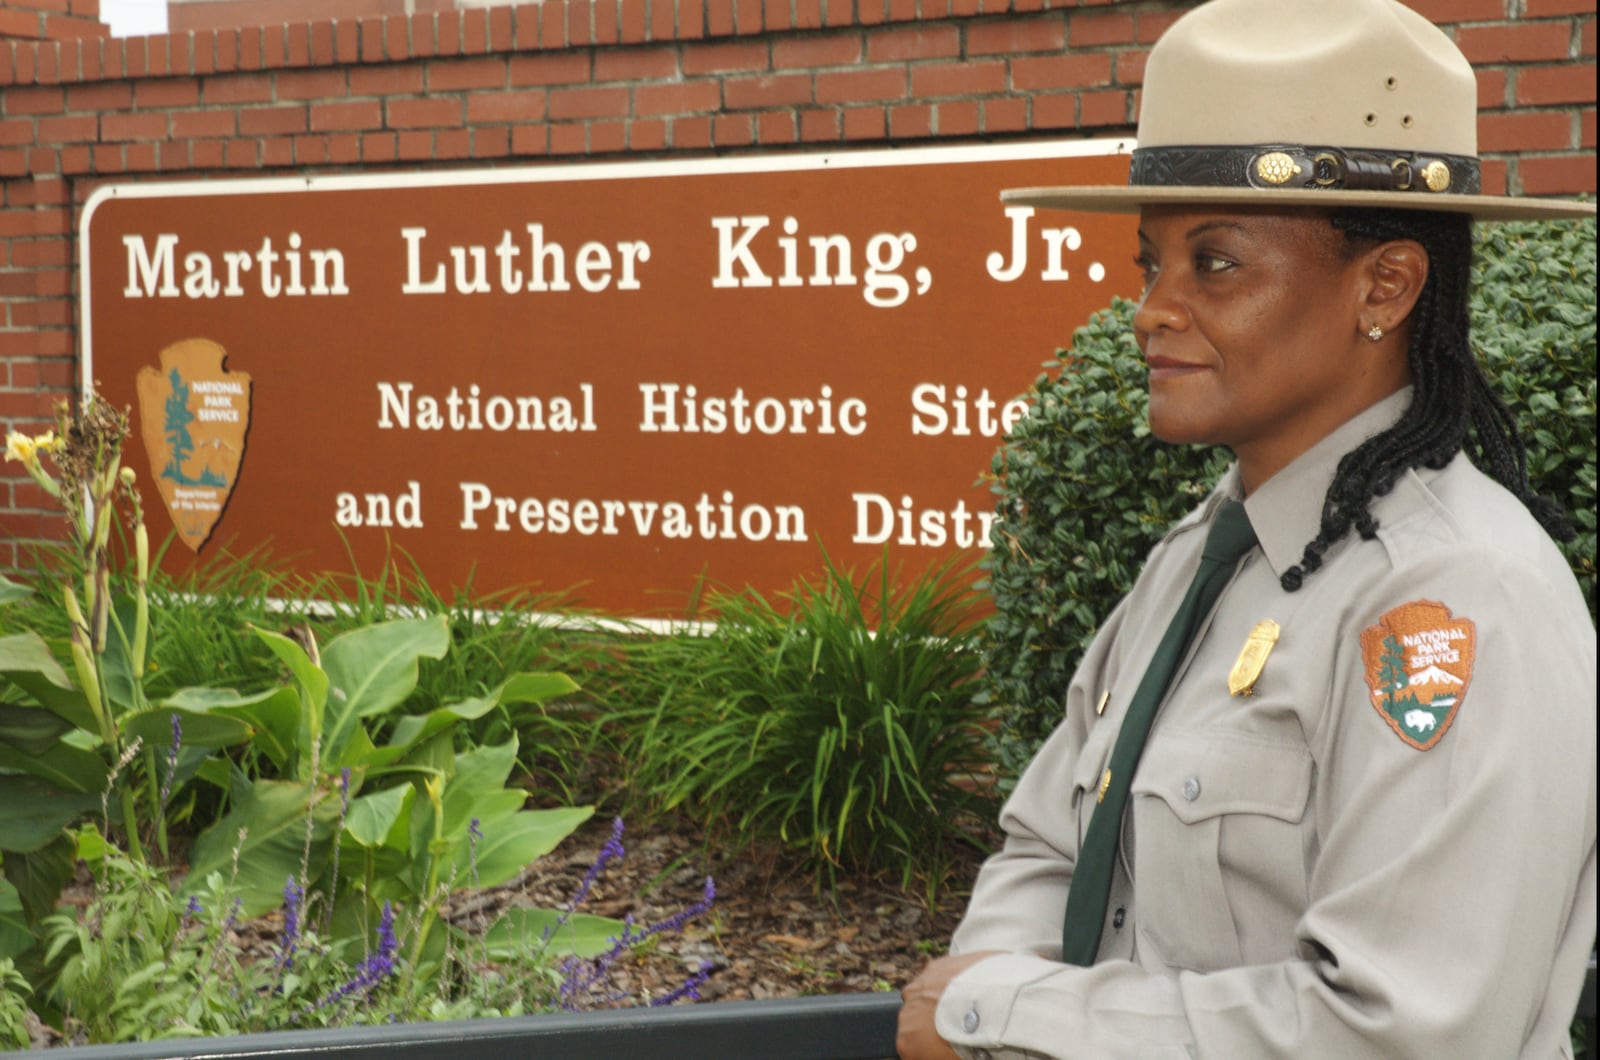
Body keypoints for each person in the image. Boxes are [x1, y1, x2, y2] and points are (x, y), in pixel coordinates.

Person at [896, 0, 1598, 1056]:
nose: (1151, 307)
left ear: (1386, 285)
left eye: (1213, 263)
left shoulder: (1449, 599)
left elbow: (1399, 1032)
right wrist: (996, 1001)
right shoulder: (1205, 552)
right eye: (1150, 262)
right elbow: (1048, 846)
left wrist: (1002, 1011)